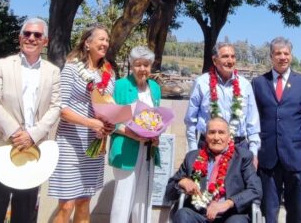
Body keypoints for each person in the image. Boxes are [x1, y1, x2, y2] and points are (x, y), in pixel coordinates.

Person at [0, 17, 62, 223]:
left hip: (32, 152)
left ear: (45, 41)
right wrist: (16, 132)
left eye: (37, 35)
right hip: (2, 147)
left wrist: (32, 135)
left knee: (25, 216)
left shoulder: (53, 72)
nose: (31, 38)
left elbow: (55, 107)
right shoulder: (2, 65)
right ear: (20, 38)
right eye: (27, 34)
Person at [48, 24, 115, 223]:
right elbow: (61, 109)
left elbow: (109, 106)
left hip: (94, 146)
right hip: (70, 143)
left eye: (107, 40)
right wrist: (90, 123)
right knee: (66, 203)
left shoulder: (109, 74)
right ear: (87, 43)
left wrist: (108, 124)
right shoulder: (71, 69)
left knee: (85, 201)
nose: (105, 43)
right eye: (101, 39)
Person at [252, 37, 301, 223]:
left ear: (291, 55)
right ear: (271, 56)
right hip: (267, 157)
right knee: (269, 211)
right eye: (278, 53)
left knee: (296, 211)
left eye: (286, 53)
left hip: (296, 157)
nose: (282, 57)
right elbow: (253, 120)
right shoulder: (258, 83)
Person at [165, 117, 263, 223]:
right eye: (212, 132)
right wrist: (182, 182)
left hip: (231, 214)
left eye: (221, 132)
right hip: (199, 214)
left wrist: (228, 203)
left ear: (229, 136)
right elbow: (169, 193)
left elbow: (255, 190)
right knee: (183, 215)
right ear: (205, 136)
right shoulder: (192, 157)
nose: (216, 137)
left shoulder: (243, 157)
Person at [108, 46, 162, 223]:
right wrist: (132, 134)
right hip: (126, 148)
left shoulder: (154, 87)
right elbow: (109, 120)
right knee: (123, 200)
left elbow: (157, 118)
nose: (142, 69)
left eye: (146, 65)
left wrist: (156, 135)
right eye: (138, 65)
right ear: (131, 65)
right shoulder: (120, 86)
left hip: (148, 150)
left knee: (143, 199)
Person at [184, 43, 260, 160]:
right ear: (215, 60)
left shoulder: (245, 85)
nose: (230, 61)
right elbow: (191, 121)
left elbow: (253, 123)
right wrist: (193, 151)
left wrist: (253, 153)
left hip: (239, 148)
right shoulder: (201, 83)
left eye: (233, 56)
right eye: (225, 56)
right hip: (208, 147)